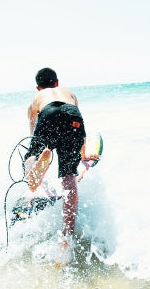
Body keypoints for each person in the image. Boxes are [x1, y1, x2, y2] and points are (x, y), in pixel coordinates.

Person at [24, 67, 99, 249]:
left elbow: (32, 134)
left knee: (31, 156)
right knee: (68, 177)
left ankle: (34, 175)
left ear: (38, 88)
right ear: (57, 83)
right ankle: (67, 234)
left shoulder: (37, 99)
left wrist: (36, 152)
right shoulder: (69, 94)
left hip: (47, 114)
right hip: (72, 115)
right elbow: (81, 128)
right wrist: (83, 155)